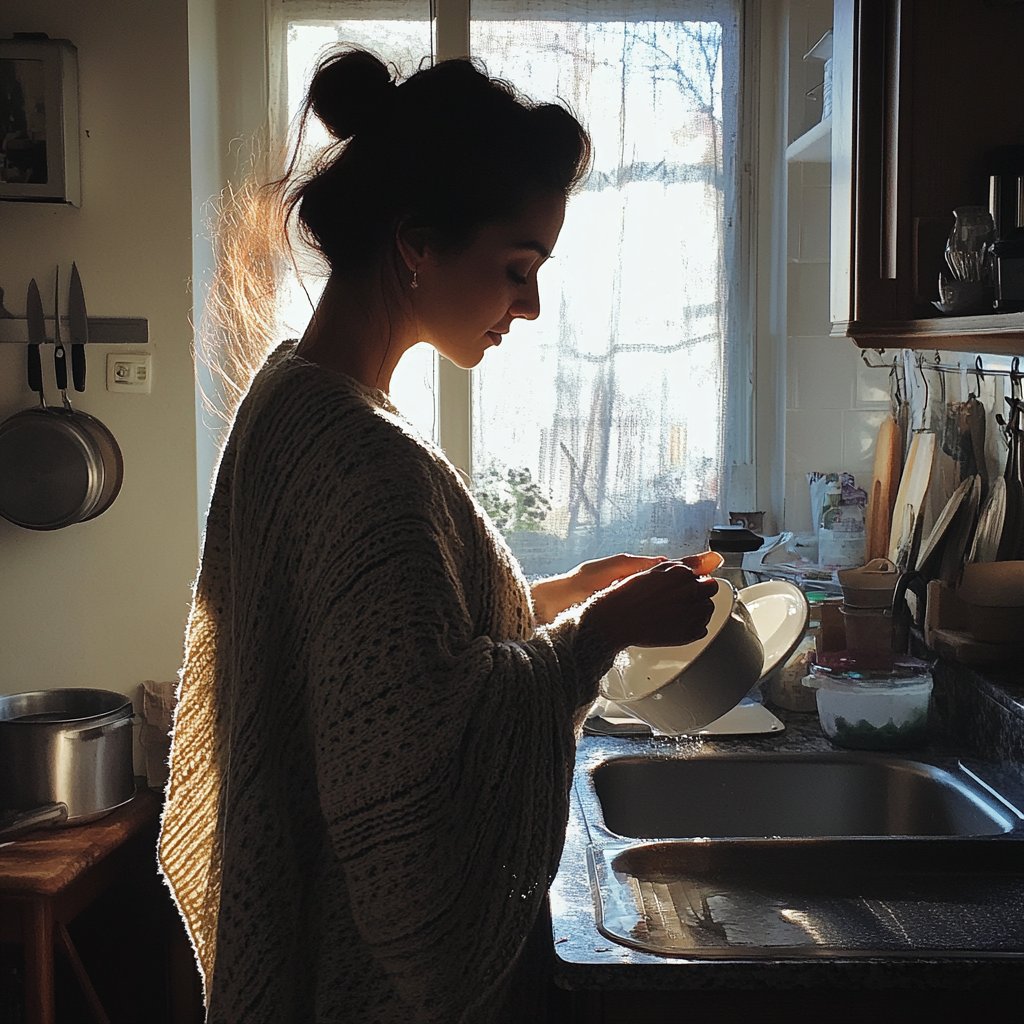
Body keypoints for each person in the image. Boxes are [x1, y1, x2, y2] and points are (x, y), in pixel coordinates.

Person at [158, 48, 720, 1024]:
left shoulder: (293, 398)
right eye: (516, 268)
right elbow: (407, 761)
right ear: (416, 245)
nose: (530, 305)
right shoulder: (361, 456)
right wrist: (597, 633)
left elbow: (380, 657)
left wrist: (563, 597)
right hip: (354, 970)